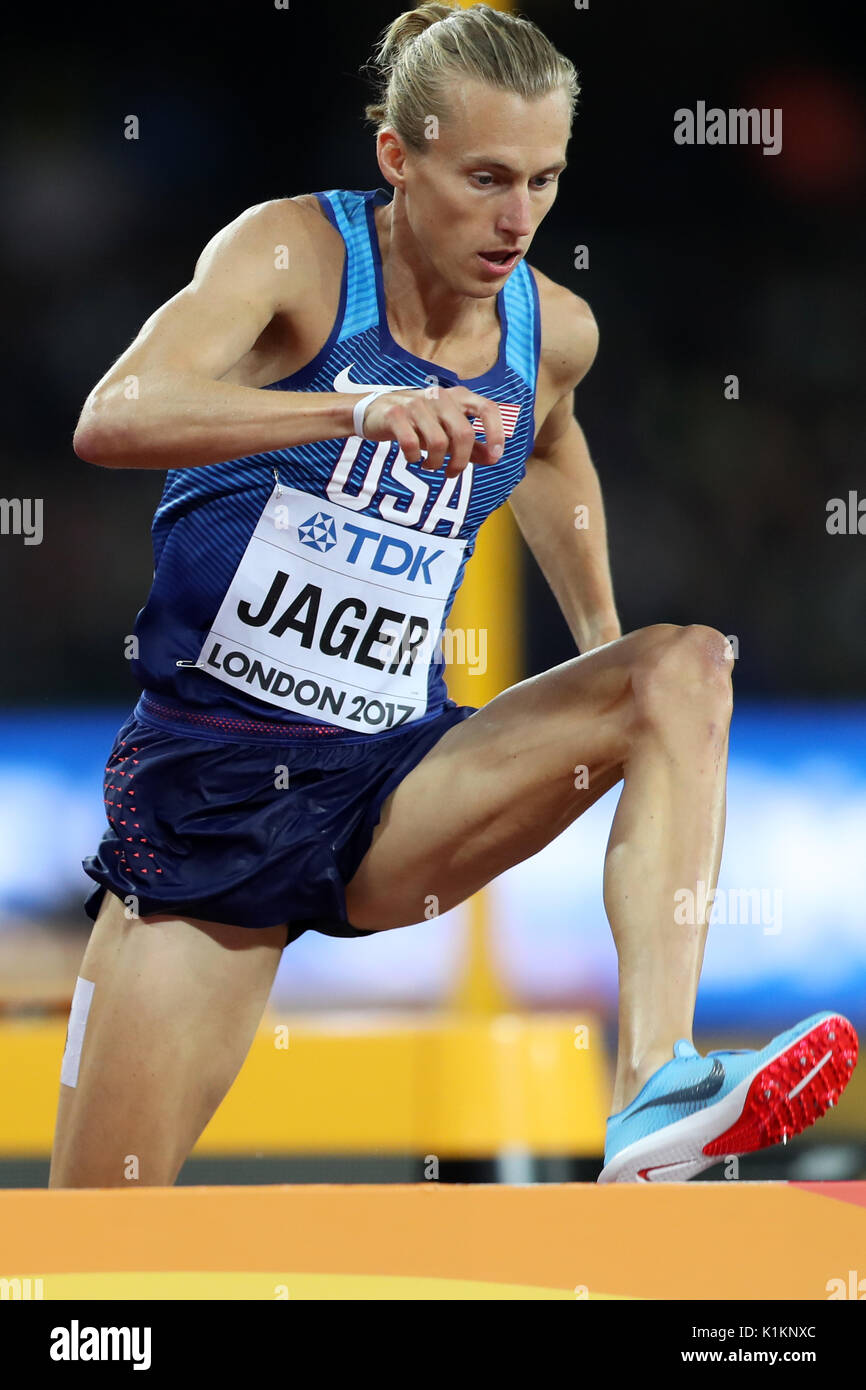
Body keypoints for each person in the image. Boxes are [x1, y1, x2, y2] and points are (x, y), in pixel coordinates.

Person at [51, 2, 857, 1189]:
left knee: (683, 664)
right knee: (93, 1254)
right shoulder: (292, 257)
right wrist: (356, 407)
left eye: (541, 180)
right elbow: (111, 417)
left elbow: (547, 443)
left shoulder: (552, 329)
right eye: (484, 178)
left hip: (394, 787)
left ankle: (652, 1086)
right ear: (397, 155)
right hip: (212, 802)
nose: (515, 218)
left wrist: (604, 656)